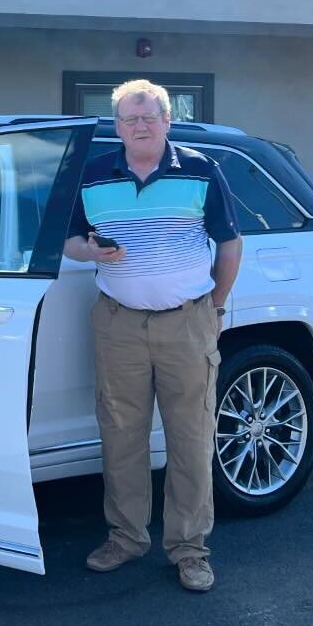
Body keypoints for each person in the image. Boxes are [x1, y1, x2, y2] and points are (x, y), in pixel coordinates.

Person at [64, 79, 243, 593]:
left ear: (167, 120)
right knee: (121, 435)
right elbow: (72, 239)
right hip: (117, 322)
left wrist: (215, 307)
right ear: (116, 126)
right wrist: (91, 253)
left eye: (149, 117)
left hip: (187, 321)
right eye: (128, 118)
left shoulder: (201, 171)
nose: (139, 126)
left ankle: (189, 549)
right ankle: (126, 537)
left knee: (189, 438)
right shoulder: (93, 176)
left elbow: (229, 245)